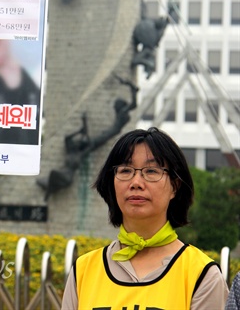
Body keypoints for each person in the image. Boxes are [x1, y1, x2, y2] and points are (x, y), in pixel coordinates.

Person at [61, 127, 229, 309]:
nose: (136, 183)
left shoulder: (201, 274)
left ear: (175, 185)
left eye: (151, 171)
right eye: (125, 170)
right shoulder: (84, 270)